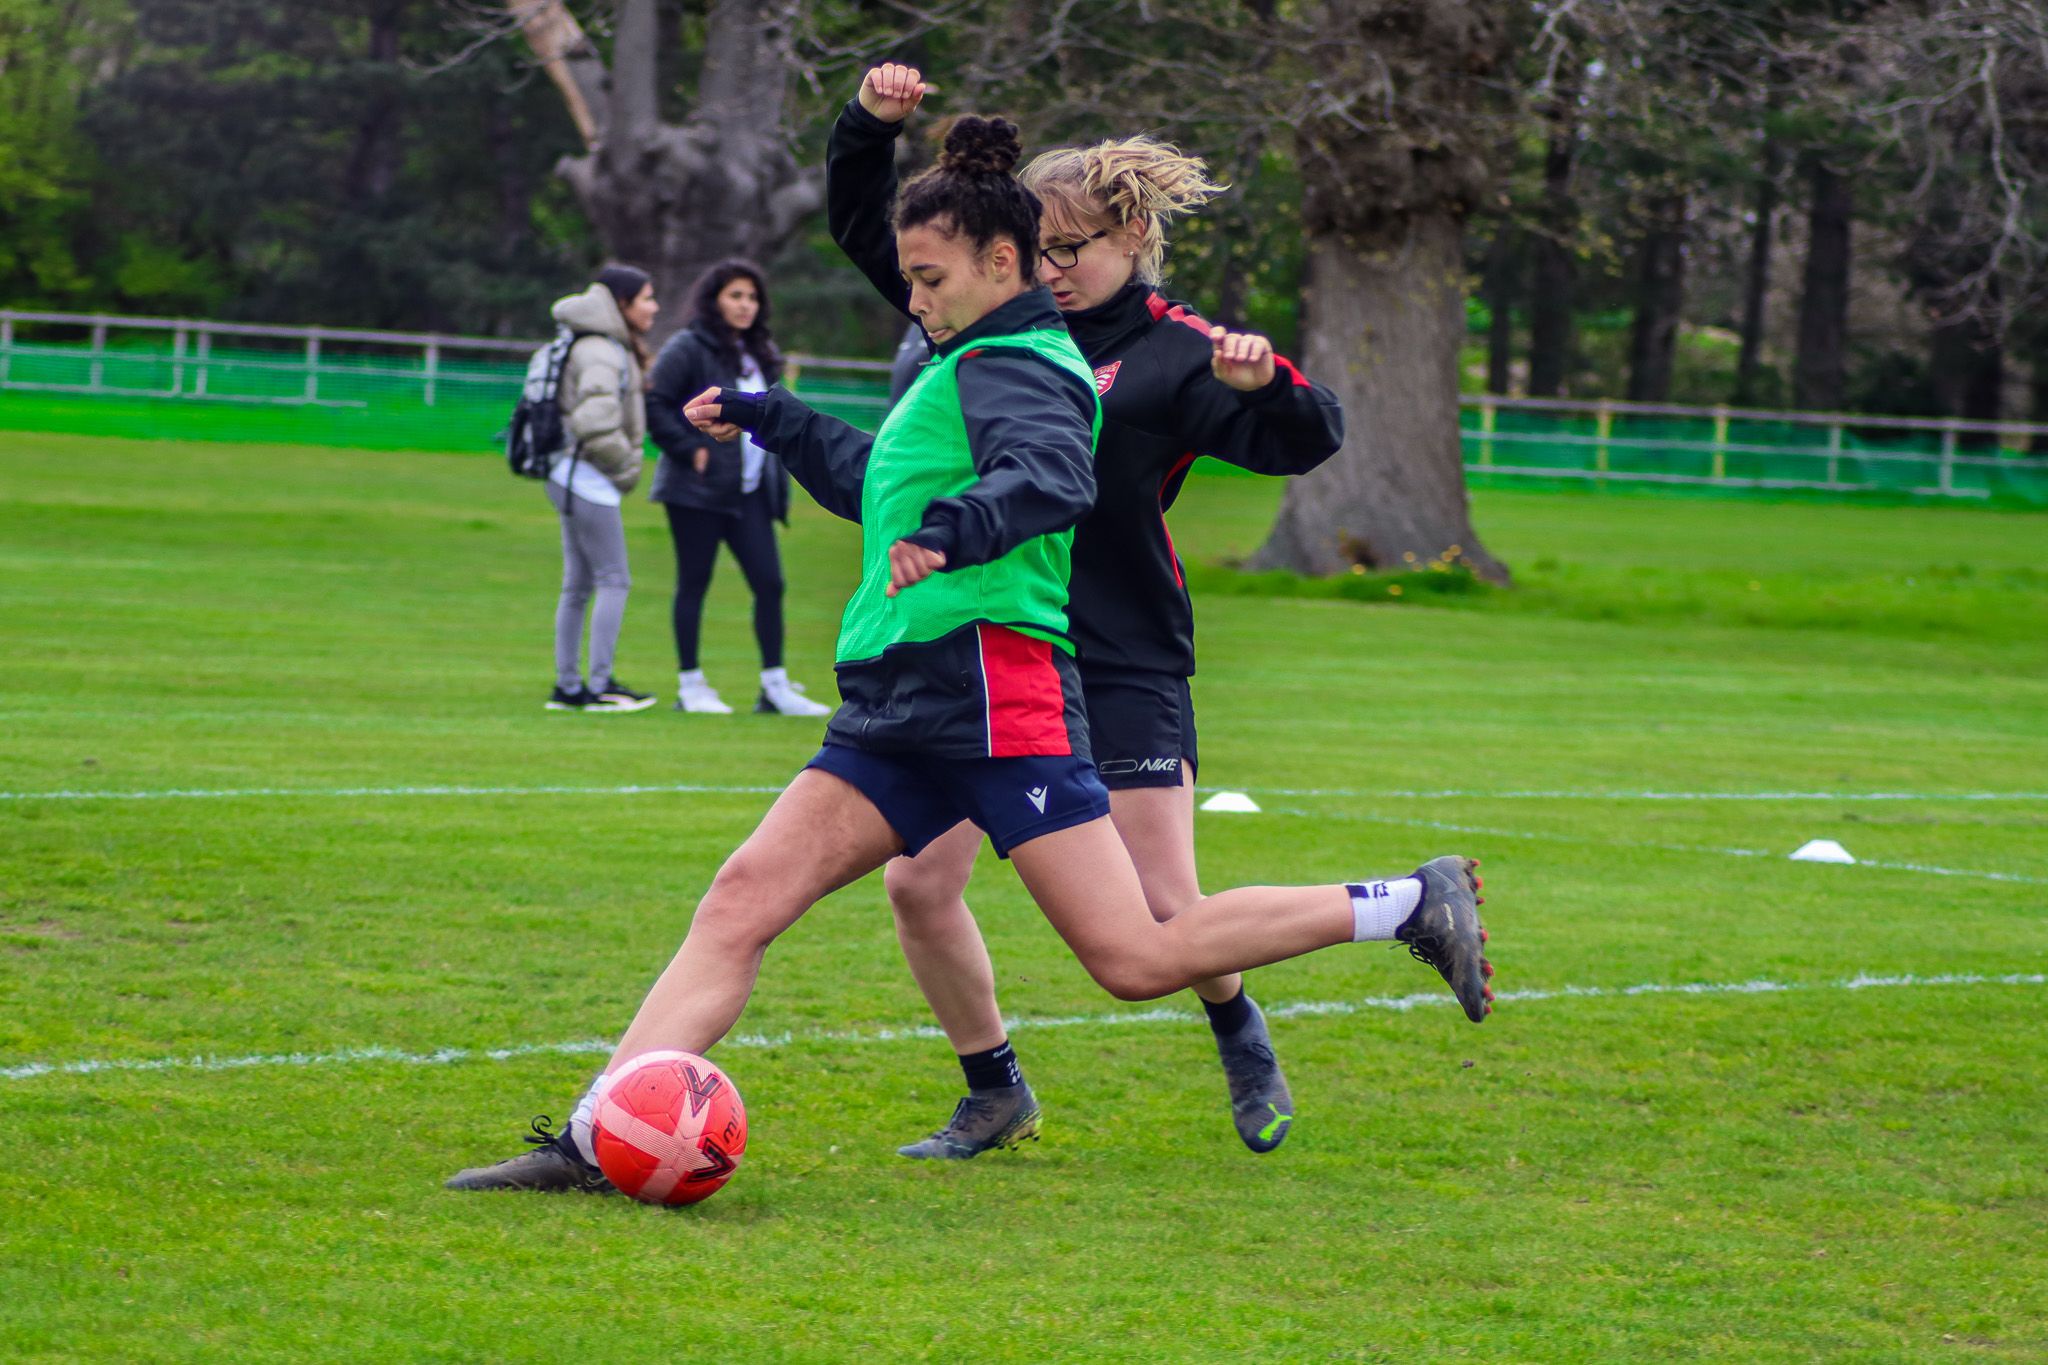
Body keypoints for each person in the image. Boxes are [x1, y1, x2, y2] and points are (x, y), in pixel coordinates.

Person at [447, 113, 1490, 1196]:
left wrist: (957, 530)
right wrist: (773, 415)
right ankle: (596, 1133)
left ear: (1000, 264)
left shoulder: (1025, 362)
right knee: (743, 897)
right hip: (900, 696)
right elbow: (873, 483)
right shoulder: (959, 357)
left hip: (994, 691)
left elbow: (1050, 474)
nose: (911, 297)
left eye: (928, 276)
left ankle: (1407, 904)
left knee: (1135, 955)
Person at [827, 64, 1473, 1161]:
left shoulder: (1175, 350)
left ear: (1131, 235)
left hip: (1119, 656)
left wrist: (1266, 384)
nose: (1051, 268)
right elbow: (862, 226)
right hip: (994, 651)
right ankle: (995, 1091)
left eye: (1071, 248)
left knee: (1164, 914)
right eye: (1038, 248)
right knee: (916, 883)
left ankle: (1236, 1021)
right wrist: (868, 125)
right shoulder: (986, 315)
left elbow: (1309, 437)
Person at [645, 260, 832, 717]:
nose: (745, 305)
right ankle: (691, 687)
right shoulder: (688, 346)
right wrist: (692, 449)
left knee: (770, 583)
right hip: (696, 489)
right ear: (714, 299)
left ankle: (774, 688)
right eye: (735, 296)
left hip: (751, 492)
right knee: (695, 583)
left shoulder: (762, 351)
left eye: (752, 297)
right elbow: (655, 402)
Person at [542, 265, 660, 714]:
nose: (654, 306)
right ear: (622, 304)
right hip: (589, 479)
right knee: (615, 580)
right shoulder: (602, 350)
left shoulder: (587, 342)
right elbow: (594, 422)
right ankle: (599, 686)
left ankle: (568, 687)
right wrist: (628, 465)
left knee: (577, 585)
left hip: (566, 474)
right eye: (647, 298)